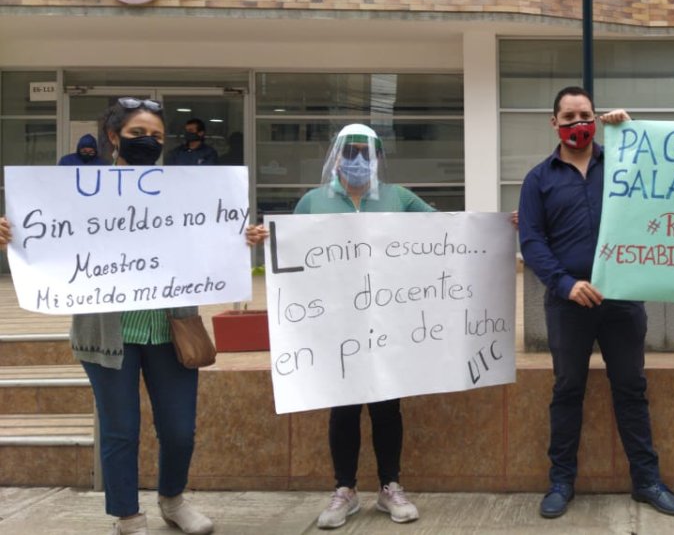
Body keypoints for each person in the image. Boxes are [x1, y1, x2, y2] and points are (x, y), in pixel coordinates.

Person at [0, 97, 266, 535]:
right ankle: (127, 515)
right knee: (120, 431)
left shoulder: (183, 193)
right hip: (108, 335)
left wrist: (242, 239)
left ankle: (173, 500)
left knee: (179, 430)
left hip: (170, 332)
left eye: (157, 136)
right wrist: (15, 236)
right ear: (113, 136)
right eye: (138, 134)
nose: (148, 142)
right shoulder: (79, 193)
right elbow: (50, 239)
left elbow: (209, 240)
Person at [518, 86, 674, 519]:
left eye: (585, 115)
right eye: (569, 117)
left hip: (622, 301)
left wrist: (632, 133)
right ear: (554, 123)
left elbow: (664, 184)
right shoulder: (538, 180)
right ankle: (561, 482)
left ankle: (647, 481)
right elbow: (532, 241)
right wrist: (565, 284)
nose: (578, 124)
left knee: (631, 388)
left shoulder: (623, 163)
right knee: (567, 390)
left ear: (596, 118)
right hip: (568, 305)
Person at [292, 124, 431, 530]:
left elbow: (445, 231)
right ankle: (345, 490)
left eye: (365, 153)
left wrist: (500, 226)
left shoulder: (398, 197)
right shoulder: (313, 202)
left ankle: (390, 486)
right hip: (335, 323)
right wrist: (262, 238)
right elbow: (289, 250)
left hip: (387, 320)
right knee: (344, 407)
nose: (356, 160)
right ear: (335, 156)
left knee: (387, 405)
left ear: (378, 157)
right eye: (348, 151)